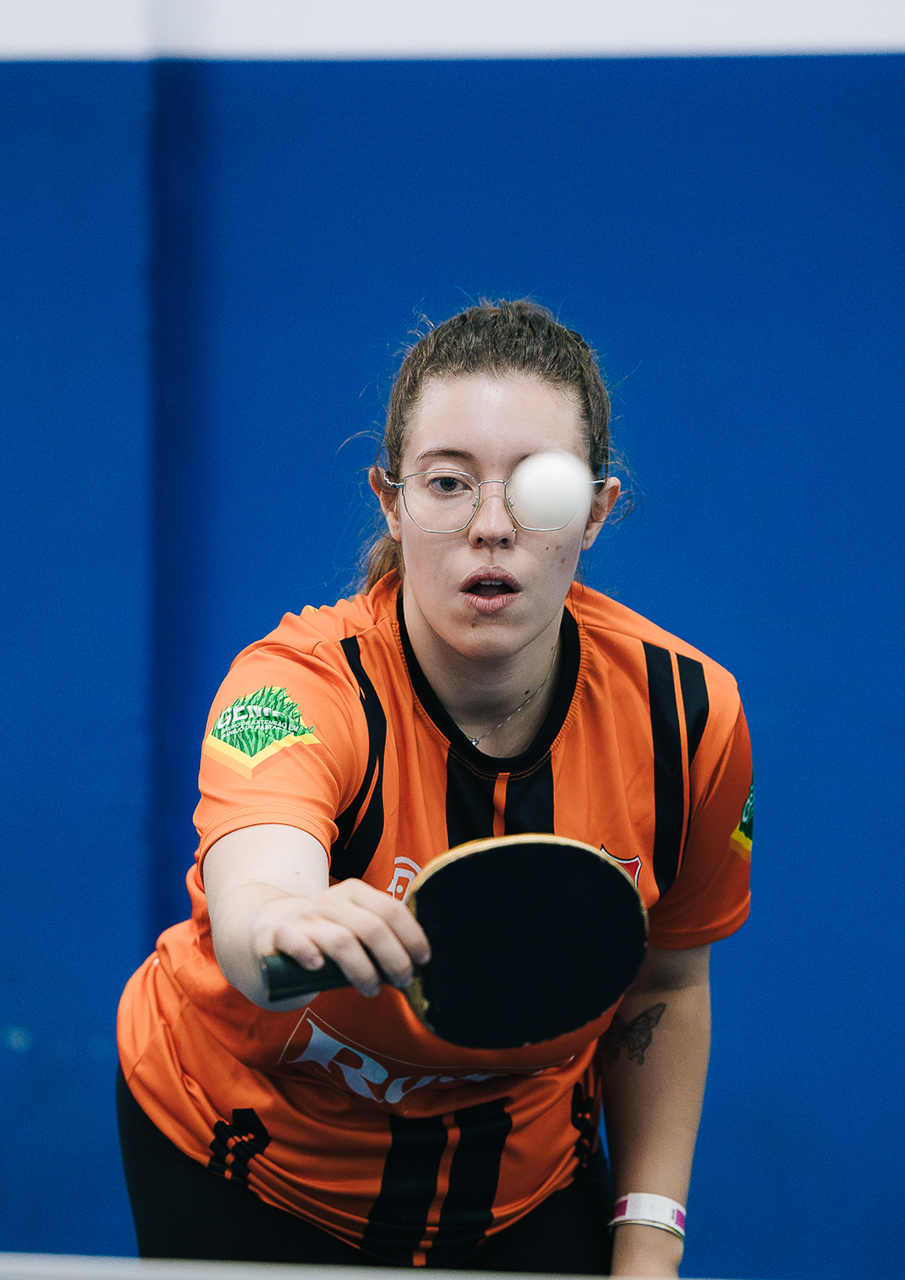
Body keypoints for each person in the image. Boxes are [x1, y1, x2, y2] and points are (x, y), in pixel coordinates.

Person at [116, 300, 753, 1276]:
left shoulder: (688, 716)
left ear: (596, 510)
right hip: (249, 1160)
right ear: (391, 500)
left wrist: (647, 1241)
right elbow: (254, 904)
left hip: (520, 1181)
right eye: (448, 483)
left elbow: (665, 983)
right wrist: (286, 921)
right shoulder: (292, 689)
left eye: (540, 488)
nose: (491, 527)